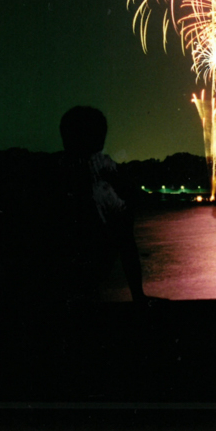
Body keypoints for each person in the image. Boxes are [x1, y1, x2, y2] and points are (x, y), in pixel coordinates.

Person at [57, 106, 147, 304]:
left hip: (64, 267)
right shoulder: (100, 171)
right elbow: (124, 219)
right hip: (92, 259)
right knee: (123, 227)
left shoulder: (57, 170)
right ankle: (138, 296)